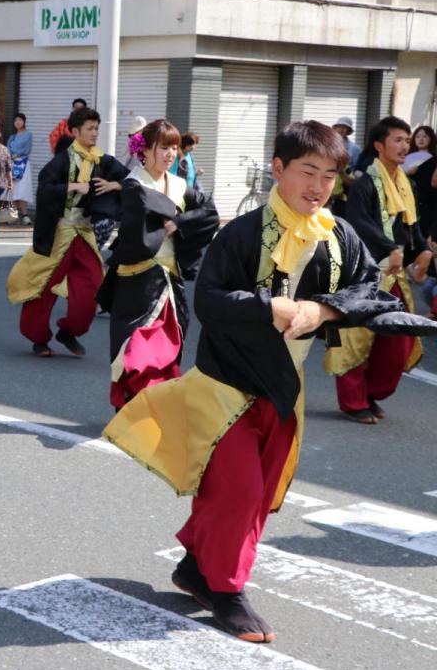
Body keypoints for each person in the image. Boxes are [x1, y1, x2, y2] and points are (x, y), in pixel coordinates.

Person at [104, 120, 437, 643]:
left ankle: (195, 567)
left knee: (257, 497)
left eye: (330, 175)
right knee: (239, 491)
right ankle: (228, 590)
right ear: (278, 170)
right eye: (308, 171)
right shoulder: (241, 233)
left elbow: (368, 289)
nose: (319, 186)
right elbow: (210, 300)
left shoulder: (339, 235)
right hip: (225, 386)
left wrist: (321, 309)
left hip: (285, 388)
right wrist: (272, 307)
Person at [98, 119, 219, 410]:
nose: (169, 153)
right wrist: (176, 213)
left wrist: (179, 221)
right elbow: (145, 207)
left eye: (174, 147)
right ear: (146, 149)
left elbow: (210, 213)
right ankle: (132, 408)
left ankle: (153, 410)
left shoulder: (178, 184)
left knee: (167, 349)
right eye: (163, 147)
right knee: (136, 352)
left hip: (169, 281)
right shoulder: (134, 183)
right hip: (136, 283)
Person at [323, 116, 434, 423]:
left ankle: (370, 392)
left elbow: (411, 227)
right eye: (398, 140)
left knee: (399, 339)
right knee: (352, 339)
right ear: (378, 146)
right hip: (361, 273)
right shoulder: (364, 185)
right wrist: (390, 248)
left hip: (393, 273)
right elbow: (360, 224)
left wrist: (423, 249)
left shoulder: (405, 184)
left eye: (406, 140)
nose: (404, 146)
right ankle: (353, 401)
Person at [6, 107, 127, 357]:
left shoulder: (102, 160)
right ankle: (38, 338)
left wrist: (114, 184)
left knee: (93, 288)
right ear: (74, 132)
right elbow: (45, 188)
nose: (95, 133)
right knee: (42, 286)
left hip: (84, 233)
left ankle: (69, 331)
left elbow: (132, 179)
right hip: (59, 233)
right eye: (90, 129)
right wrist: (73, 186)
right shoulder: (63, 159)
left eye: (96, 129)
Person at [7, 113, 34, 223]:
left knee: (23, 189)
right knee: (13, 189)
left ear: (24, 122)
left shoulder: (28, 134)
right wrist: (10, 156)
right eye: (16, 120)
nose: (17, 122)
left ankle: (25, 214)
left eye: (20, 120)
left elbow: (27, 150)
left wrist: (17, 155)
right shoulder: (12, 137)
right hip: (13, 164)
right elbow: (7, 148)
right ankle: (13, 215)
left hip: (23, 164)